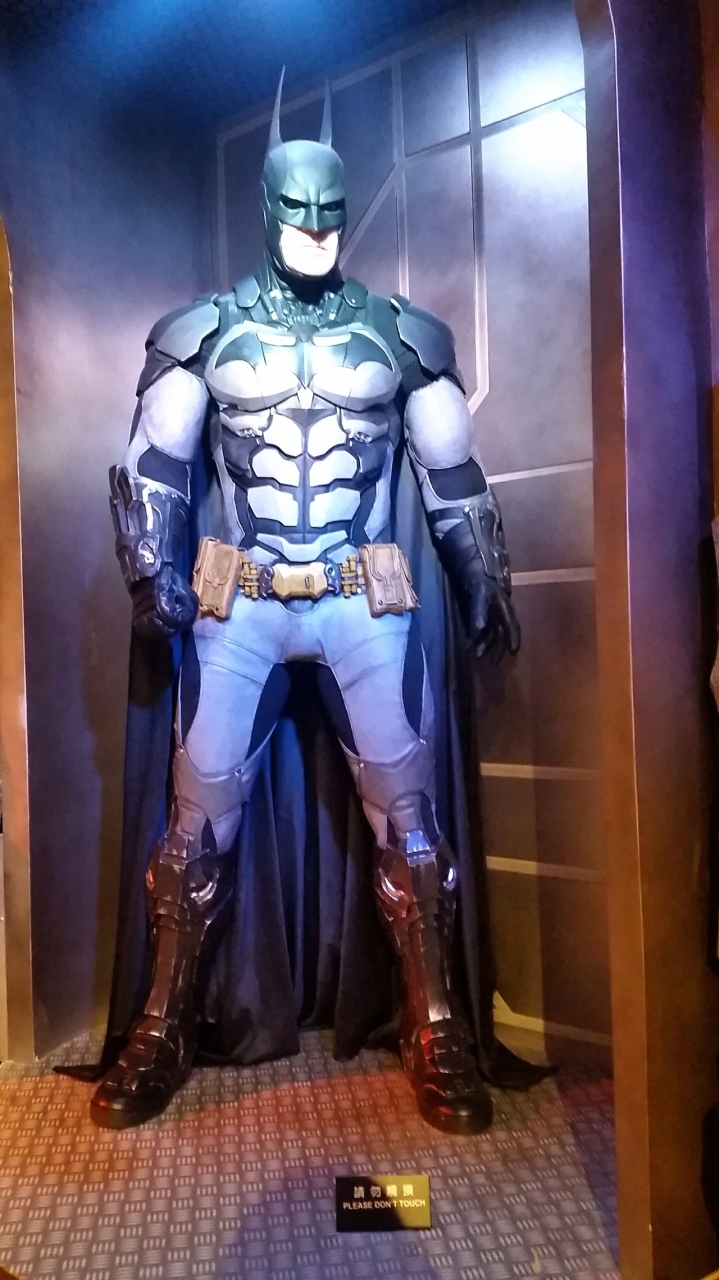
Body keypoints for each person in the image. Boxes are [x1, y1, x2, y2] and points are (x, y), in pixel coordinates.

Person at [91, 75, 521, 1134]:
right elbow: (154, 463)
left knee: (408, 825)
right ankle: (164, 1021)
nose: (317, 228)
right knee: (195, 827)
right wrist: (150, 573)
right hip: (239, 599)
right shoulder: (201, 332)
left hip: (357, 596)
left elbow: (451, 472)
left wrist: (481, 581)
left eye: (332, 210)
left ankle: (434, 1023)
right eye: (299, 209)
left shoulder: (402, 335)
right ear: (268, 206)